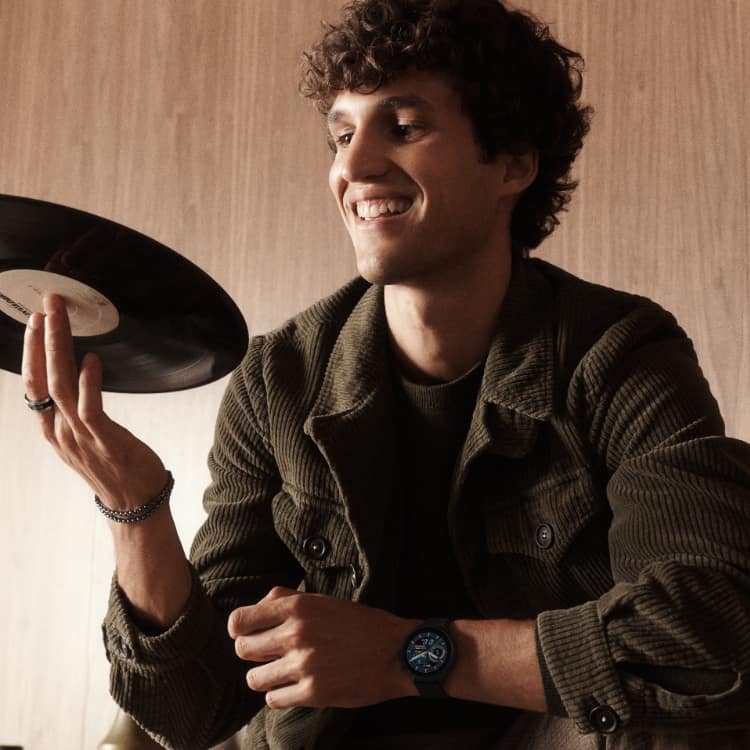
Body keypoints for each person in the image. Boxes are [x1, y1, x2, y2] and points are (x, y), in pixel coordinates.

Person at [21, 0, 750, 748]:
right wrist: (135, 505)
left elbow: (707, 634)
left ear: (513, 164)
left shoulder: (619, 354)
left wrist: (411, 656)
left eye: (404, 128)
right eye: (342, 133)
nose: (353, 165)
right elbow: (192, 713)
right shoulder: (279, 378)